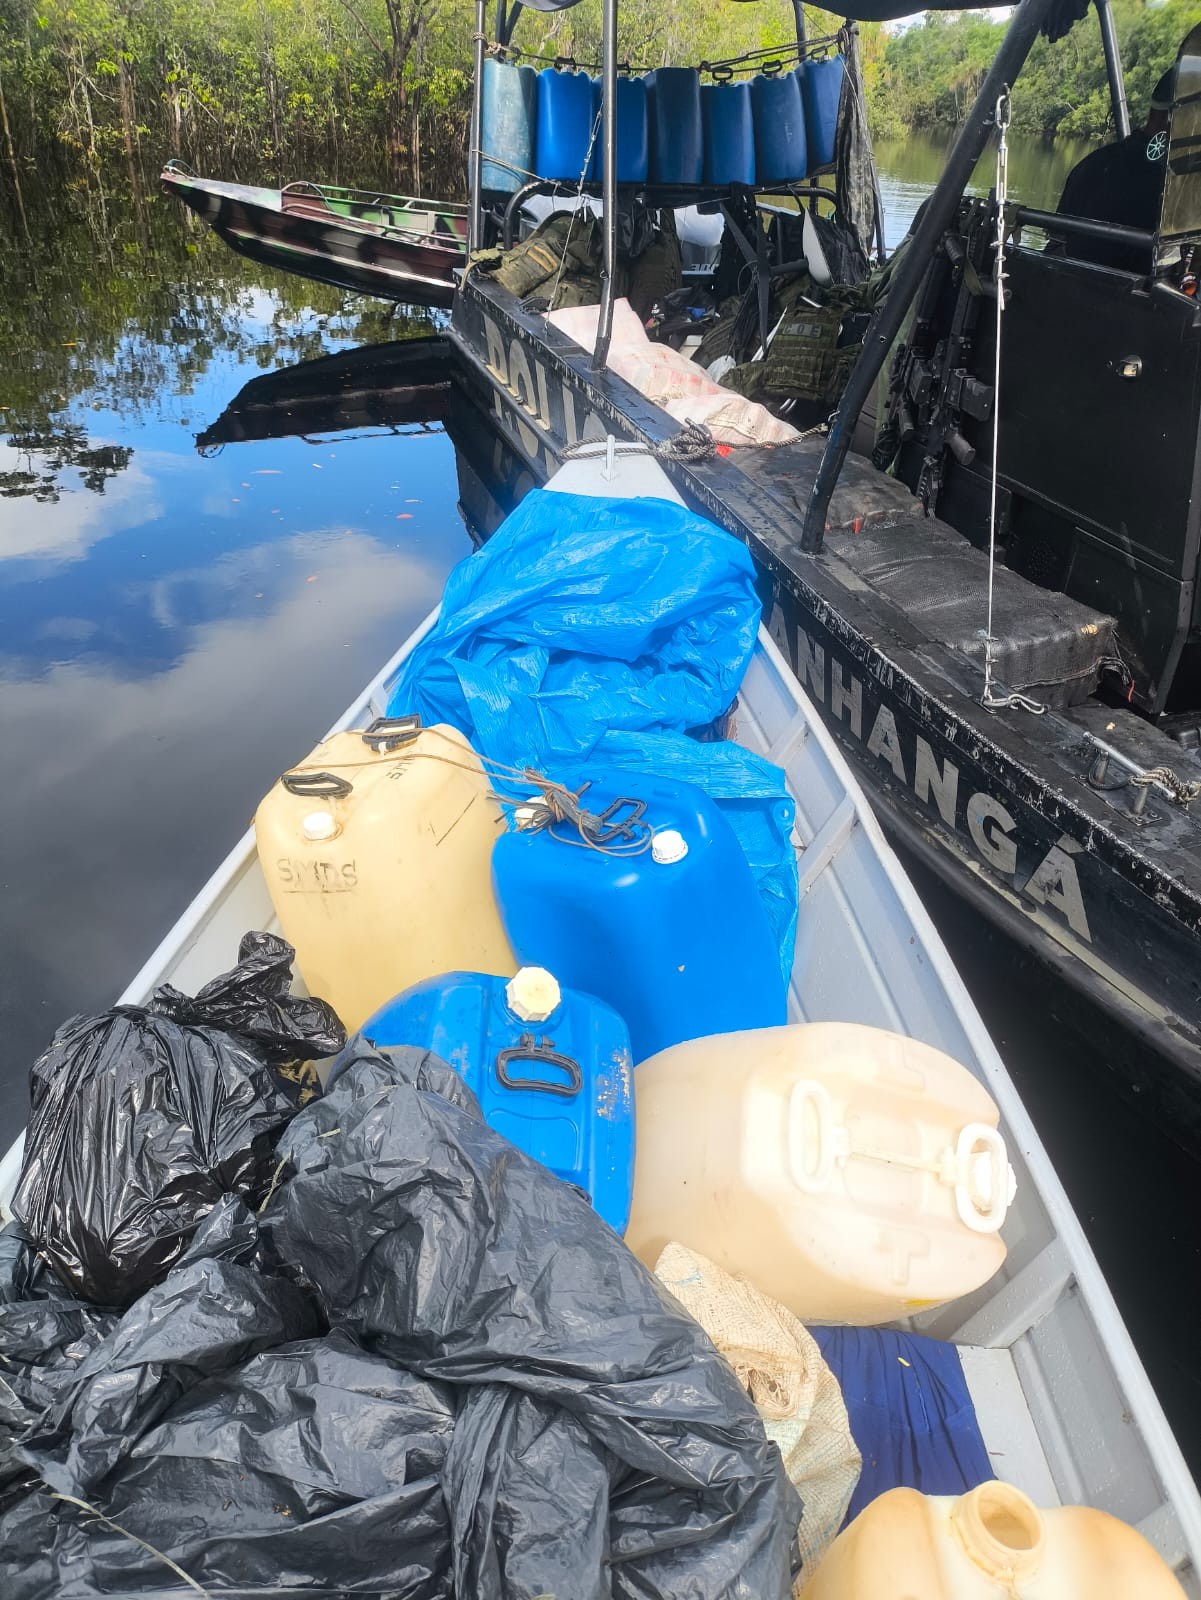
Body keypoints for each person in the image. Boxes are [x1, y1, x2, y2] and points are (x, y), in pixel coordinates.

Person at [1051, 66, 1175, 272]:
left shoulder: (1095, 162)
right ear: (1170, 117)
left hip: (1067, 281)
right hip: (1129, 296)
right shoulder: (1173, 183)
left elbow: (1056, 236)